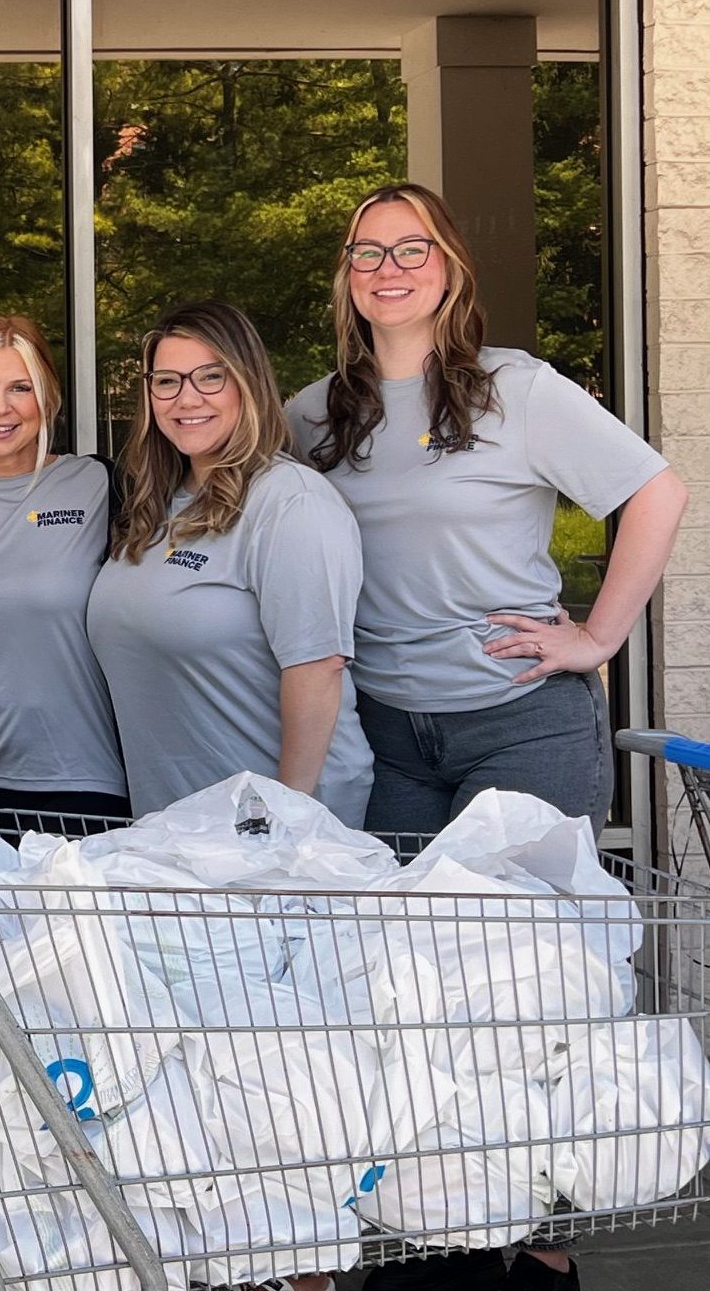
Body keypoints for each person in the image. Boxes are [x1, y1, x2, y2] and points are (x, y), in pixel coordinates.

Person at [287, 183, 689, 1291]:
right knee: (417, 992)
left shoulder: (515, 388)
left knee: (542, 990)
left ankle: (546, 1243)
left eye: (409, 247)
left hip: (518, 727)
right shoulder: (316, 413)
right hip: (388, 736)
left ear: (449, 265)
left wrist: (594, 635)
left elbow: (655, 491)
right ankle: (447, 1222)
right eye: (365, 252)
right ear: (345, 276)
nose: (386, 267)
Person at [86, 300, 372, 828]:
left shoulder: (290, 502)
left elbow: (317, 668)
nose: (185, 398)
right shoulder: (156, 506)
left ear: (248, 383)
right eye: (166, 381)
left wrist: (284, 819)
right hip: (179, 828)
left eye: (210, 377)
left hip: (271, 831)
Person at [0, 314, 129, 816]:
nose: (0, 407)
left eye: (21, 387)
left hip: (86, 782)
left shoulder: (101, 487)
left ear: (48, 399)